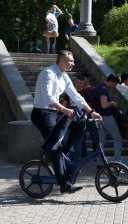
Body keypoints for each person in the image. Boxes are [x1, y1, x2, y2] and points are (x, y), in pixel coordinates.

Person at [31, 50, 102, 194]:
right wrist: (64, 109)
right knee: (56, 146)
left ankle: (62, 154)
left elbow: (76, 96)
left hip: (55, 112)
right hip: (43, 113)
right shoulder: (48, 74)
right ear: (62, 61)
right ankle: (64, 184)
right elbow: (48, 98)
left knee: (80, 122)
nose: (73, 64)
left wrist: (91, 112)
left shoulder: (64, 77)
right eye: (71, 61)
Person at [94, 73, 122, 162]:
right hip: (106, 117)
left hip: (98, 117)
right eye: (115, 84)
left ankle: (100, 162)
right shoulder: (103, 89)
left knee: (101, 141)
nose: (115, 86)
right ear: (111, 81)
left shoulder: (98, 87)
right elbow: (104, 105)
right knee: (117, 139)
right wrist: (112, 103)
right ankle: (117, 162)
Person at [62, 74, 87, 160]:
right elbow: (64, 105)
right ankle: (66, 158)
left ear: (83, 84)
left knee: (78, 141)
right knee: (66, 139)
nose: (78, 84)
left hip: (80, 120)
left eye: (80, 83)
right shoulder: (69, 92)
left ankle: (76, 160)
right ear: (74, 82)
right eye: (76, 82)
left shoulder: (85, 93)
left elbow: (88, 106)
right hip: (69, 119)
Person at [81, 72, 100, 152]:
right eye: (84, 78)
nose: (85, 80)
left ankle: (95, 152)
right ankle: (84, 153)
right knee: (82, 136)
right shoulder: (79, 90)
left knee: (94, 136)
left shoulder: (93, 89)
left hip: (91, 115)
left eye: (86, 78)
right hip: (82, 115)